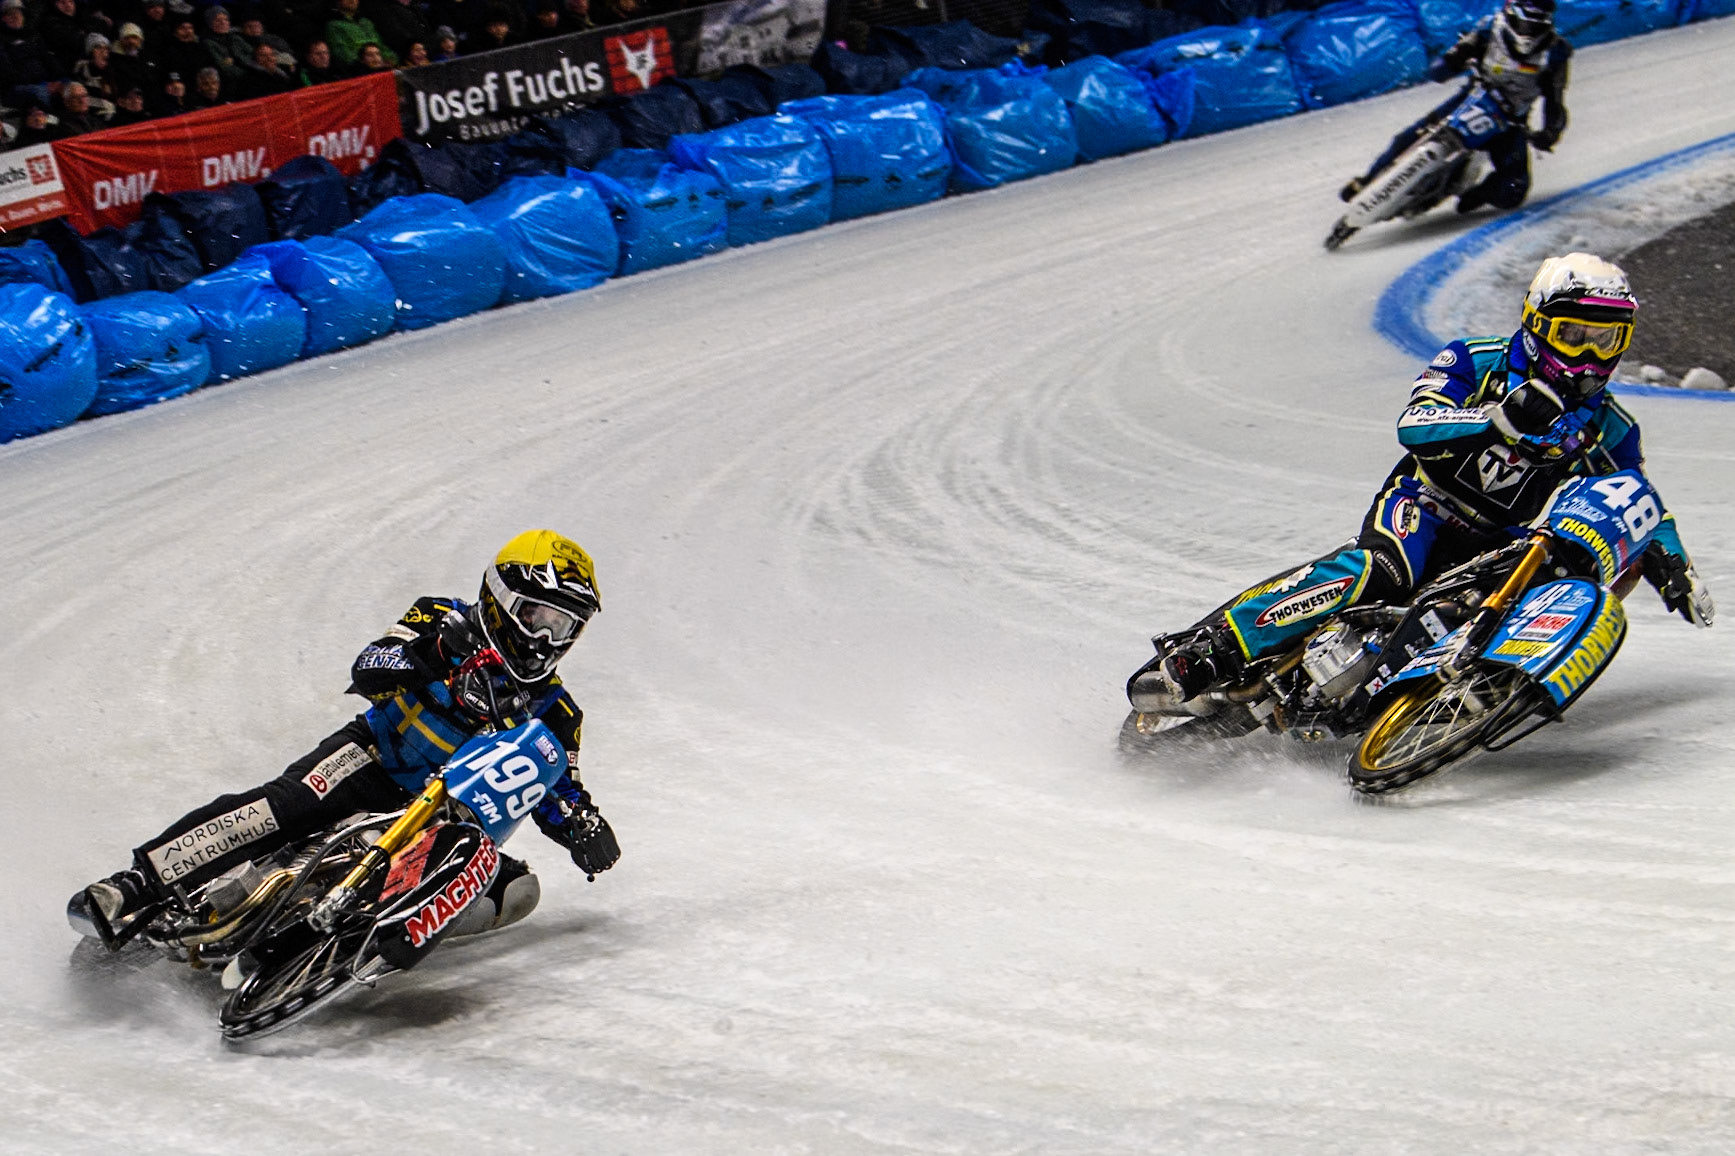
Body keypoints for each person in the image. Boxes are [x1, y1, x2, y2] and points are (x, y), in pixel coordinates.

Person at [1158, 253, 1713, 702]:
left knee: (1548, 580)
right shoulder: (1474, 359)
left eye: (1606, 339)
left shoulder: (1612, 426)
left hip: (1502, 539)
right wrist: (1493, 419)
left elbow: (1637, 500)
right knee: (1383, 568)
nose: (1590, 355)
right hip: (1423, 502)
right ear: (1538, 323)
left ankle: (1447, 695)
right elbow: (1414, 424)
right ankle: (1218, 645)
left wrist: (1673, 563)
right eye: (1575, 335)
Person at [72, 531, 621, 951]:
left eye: (564, 626)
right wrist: (428, 655)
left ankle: (344, 944)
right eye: (538, 616)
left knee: (515, 892)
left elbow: (553, 783)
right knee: (287, 804)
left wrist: (583, 826)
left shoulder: (558, 710)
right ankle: (135, 885)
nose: (547, 639)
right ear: (501, 599)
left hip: (439, 819)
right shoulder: (442, 616)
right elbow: (370, 666)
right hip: (372, 756)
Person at [1341, 0, 1571, 215]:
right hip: (1474, 97)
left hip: (1510, 121)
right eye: (1525, 22)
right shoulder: (1489, 30)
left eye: (1535, 24)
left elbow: (1556, 101)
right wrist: (1453, 60)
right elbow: (1444, 67)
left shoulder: (1556, 52)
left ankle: (1479, 193)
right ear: (1512, 14)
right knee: (1411, 135)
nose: (1527, 30)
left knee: (1513, 190)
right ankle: (1366, 180)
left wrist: (1549, 133)